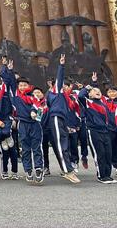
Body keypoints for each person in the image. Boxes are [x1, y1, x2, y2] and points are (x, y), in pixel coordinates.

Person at [0, 58, 44, 184]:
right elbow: (9, 80)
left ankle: (39, 169)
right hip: (23, 124)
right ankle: (28, 170)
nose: (23, 87)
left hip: (34, 124)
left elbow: (37, 105)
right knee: (25, 148)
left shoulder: (32, 95)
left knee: (36, 148)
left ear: (28, 86)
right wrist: (8, 69)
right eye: (21, 85)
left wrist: (34, 112)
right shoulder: (15, 94)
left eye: (25, 85)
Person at [46, 54, 80, 183]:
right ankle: (67, 171)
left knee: (64, 145)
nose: (64, 87)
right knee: (61, 145)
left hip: (62, 120)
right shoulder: (55, 93)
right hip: (55, 118)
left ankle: (67, 169)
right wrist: (61, 65)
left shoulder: (62, 97)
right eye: (62, 85)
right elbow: (59, 79)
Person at [78, 73, 115, 183]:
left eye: (98, 91)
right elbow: (80, 95)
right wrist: (89, 87)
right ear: (90, 94)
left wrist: (95, 84)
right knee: (100, 153)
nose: (97, 92)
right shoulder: (88, 102)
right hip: (94, 131)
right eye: (94, 92)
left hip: (106, 131)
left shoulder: (103, 102)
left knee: (108, 153)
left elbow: (98, 91)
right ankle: (101, 176)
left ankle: (108, 175)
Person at [0, 66, 19, 180]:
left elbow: (9, 80)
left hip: (8, 118)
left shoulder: (4, 89)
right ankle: (5, 171)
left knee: (12, 150)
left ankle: (15, 171)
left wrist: (1, 72)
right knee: (3, 150)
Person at [102, 84, 117, 174]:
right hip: (110, 129)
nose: (112, 93)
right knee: (110, 148)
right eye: (110, 92)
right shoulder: (104, 102)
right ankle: (113, 165)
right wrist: (94, 82)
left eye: (114, 91)